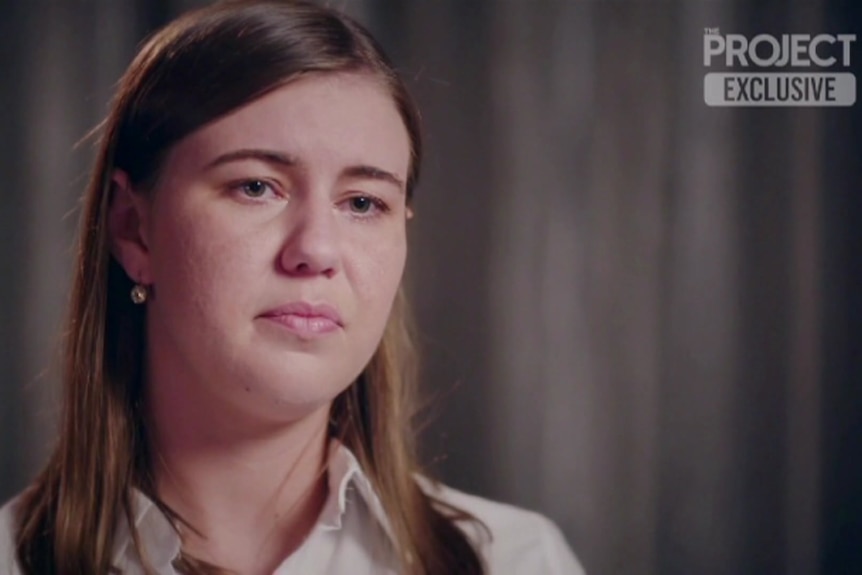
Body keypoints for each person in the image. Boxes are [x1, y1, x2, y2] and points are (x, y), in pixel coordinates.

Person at [0, 1, 584, 573]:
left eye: (362, 202)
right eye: (256, 186)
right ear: (134, 229)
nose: (316, 250)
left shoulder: (519, 560)